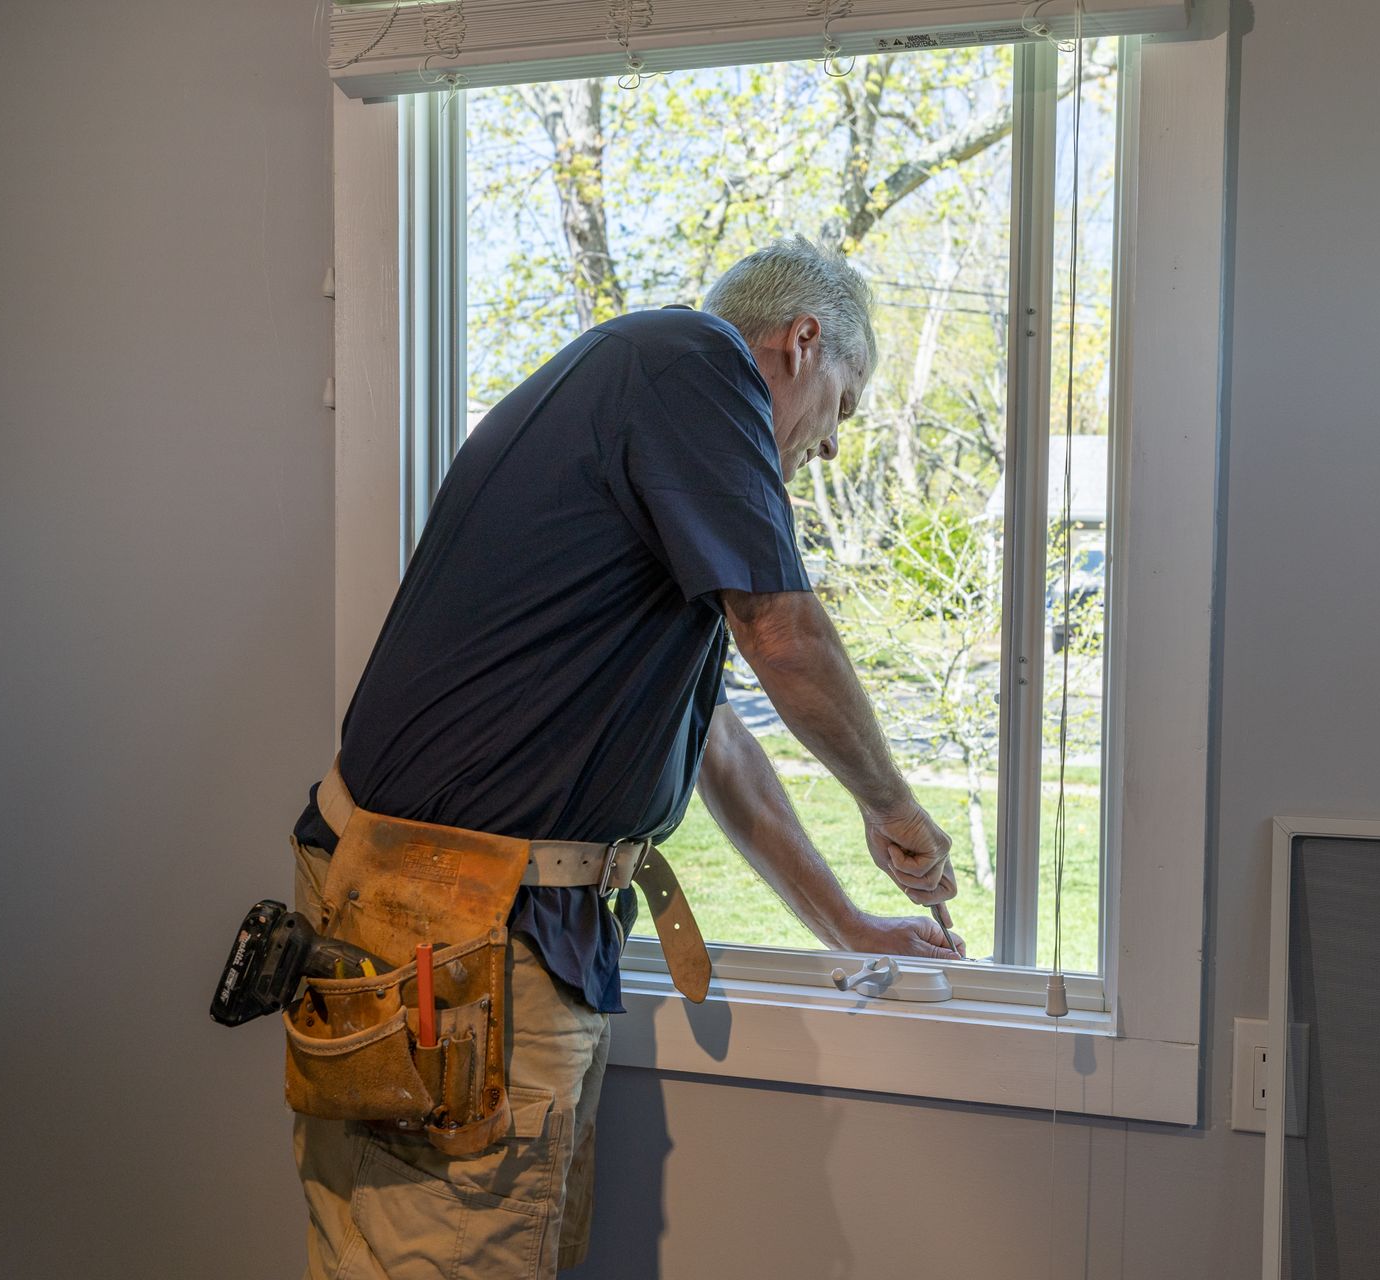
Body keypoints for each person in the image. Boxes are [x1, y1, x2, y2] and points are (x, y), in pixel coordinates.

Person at [288, 236, 962, 1279]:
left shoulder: (650, 426)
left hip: (487, 923)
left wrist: (844, 920)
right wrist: (893, 805)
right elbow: (781, 630)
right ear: (802, 342)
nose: (830, 447)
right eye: (847, 404)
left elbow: (715, 741)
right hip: (454, 927)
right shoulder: (688, 360)